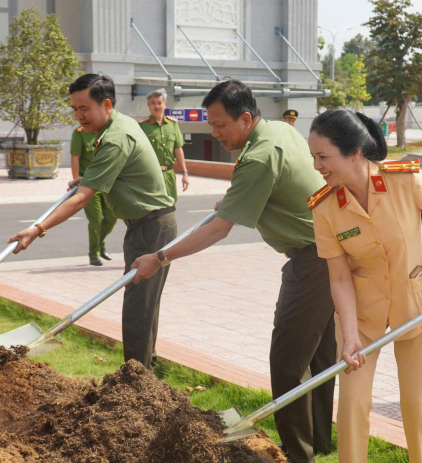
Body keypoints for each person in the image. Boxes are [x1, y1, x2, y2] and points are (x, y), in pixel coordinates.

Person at [130, 80, 336, 463]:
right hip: (330, 251)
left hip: (313, 260)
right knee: (320, 355)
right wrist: (237, 195)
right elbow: (273, 184)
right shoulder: (277, 129)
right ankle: (320, 444)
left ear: (245, 119)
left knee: (288, 362)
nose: (215, 133)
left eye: (221, 125)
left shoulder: (258, 156)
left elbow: (218, 229)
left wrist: (159, 257)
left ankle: (298, 455)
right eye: (211, 124)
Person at [309, 109, 422, 463]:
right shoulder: (325, 208)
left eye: (323, 156)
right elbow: (340, 277)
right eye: (313, 157)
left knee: (416, 403)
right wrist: (349, 337)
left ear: (355, 152)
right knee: (352, 403)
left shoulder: (405, 180)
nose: (317, 166)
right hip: (361, 313)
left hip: (417, 306)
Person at [8, 74, 176, 369]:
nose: (78, 116)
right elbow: (117, 172)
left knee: (139, 309)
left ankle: (137, 383)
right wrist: (90, 177)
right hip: (146, 225)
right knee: (143, 307)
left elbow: (81, 198)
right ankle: (144, 375)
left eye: (84, 108)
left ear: (106, 104)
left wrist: (38, 229)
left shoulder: (116, 137)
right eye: (74, 109)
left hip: (152, 228)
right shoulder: (119, 125)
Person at [70, 126, 118, 266]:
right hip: (88, 184)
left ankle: (100, 243)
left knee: (111, 217)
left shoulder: (107, 131)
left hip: (107, 182)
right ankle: (94, 253)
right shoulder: (80, 133)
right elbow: (75, 157)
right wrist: (76, 180)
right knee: (95, 220)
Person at [139, 89, 190, 201]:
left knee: (170, 205)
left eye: (159, 102)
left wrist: (184, 173)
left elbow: (178, 149)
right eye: (153, 103)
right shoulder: (142, 126)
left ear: (165, 104)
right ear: (148, 105)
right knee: (153, 207)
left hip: (169, 174)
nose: (156, 106)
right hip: (150, 174)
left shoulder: (173, 124)